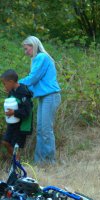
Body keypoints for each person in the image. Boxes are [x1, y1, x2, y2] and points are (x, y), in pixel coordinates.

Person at [19, 36, 61, 164]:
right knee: (41, 129)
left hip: (51, 95)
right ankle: (39, 161)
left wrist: (16, 84)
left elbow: (33, 78)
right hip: (44, 97)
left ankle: (50, 161)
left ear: (33, 46)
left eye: (26, 49)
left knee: (46, 130)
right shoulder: (37, 59)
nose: (25, 52)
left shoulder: (41, 57)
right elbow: (33, 82)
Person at [0, 69, 33, 159]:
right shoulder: (11, 92)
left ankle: (16, 166)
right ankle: (16, 162)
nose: (4, 87)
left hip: (22, 125)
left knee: (16, 147)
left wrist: (14, 112)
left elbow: (27, 111)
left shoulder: (23, 92)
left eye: (5, 84)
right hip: (12, 123)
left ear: (11, 82)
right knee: (6, 142)